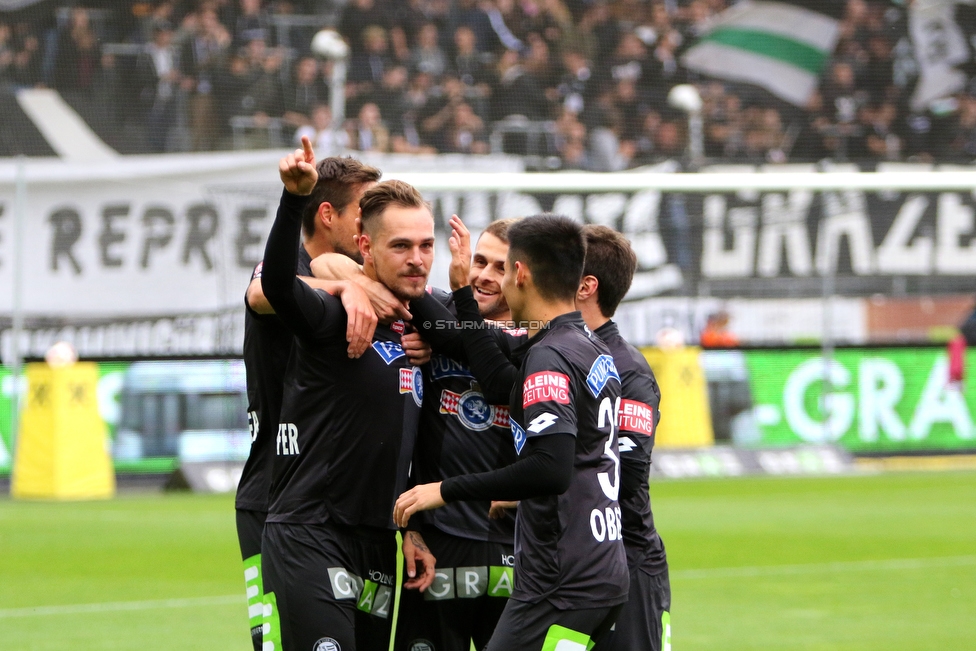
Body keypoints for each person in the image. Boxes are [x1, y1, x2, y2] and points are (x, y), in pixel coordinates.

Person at [395, 215, 629, 651]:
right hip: (598, 566)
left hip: (561, 580)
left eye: (502, 268)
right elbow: (501, 384)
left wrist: (444, 490)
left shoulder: (550, 356)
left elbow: (550, 469)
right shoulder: (590, 346)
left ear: (519, 274)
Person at [254, 140, 438, 651]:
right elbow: (277, 286)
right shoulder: (336, 315)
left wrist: (413, 529)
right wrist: (293, 201)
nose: (417, 259)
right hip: (311, 532)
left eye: (426, 246)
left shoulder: (430, 324)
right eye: (400, 246)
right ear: (365, 248)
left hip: (378, 543)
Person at [236, 154, 387, 651]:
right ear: (328, 215)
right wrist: (343, 287)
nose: (373, 228)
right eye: (364, 214)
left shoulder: (371, 277)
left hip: (350, 504)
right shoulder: (287, 268)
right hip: (276, 497)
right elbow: (262, 294)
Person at [395, 218, 525, 651]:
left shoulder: (536, 337)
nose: (484, 275)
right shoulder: (437, 322)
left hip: (512, 544)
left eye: (499, 268)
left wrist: (443, 330)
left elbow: (470, 338)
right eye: (478, 261)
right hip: (437, 542)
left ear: (523, 276)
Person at [576, 225, 670, 651]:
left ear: (585, 287)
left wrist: (531, 487)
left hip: (627, 562)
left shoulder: (628, 369)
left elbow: (628, 471)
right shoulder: (556, 351)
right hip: (574, 560)